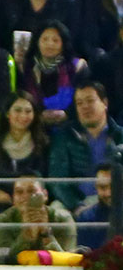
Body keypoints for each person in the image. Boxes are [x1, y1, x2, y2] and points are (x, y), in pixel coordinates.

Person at [47, 80, 123, 214]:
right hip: (76, 202)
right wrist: (76, 205)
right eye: (79, 103)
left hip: (115, 199)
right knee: (56, 211)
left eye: (90, 101)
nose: (85, 107)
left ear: (104, 103)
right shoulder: (64, 137)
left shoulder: (120, 136)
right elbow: (57, 180)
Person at [0, 90, 49, 218]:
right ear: (8, 113)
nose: (23, 116)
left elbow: (43, 175)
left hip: (32, 200)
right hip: (0, 201)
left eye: (28, 111)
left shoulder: (42, 142)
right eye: (18, 110)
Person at [18, 20, 88, 129]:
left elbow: (85, 99)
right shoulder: (25, 68)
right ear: (37, 41)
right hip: (33, 126)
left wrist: (67, 114)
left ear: (63, 44)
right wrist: (39, 116)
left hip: (71, 126)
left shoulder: (77, 67)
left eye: (55, 40)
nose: (50, 44)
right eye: (45, 39)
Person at [0, 171, 77, 257]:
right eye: (19, 192)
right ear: (13, 197)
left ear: (45, 195)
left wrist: (46, 234)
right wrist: (27, 236)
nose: (25, 196)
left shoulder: (62, 219)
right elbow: (5, 261)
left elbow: (68, 260)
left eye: (31, 191)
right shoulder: (3, 220)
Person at [0, 0, 83, 60]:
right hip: (16, 71)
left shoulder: (68, 5)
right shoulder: (8, 2)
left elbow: (74, 47)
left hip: (56, 72)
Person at [76, 162, 111, 250]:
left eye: (113, 187)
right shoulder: (86, 218)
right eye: (103, 188)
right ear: (96, 187)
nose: (108, 193)